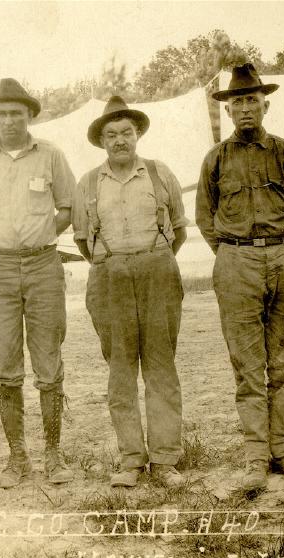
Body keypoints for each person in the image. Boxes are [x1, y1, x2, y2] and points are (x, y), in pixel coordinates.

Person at [196, 64, 284, 492]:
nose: (245, 108)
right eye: (238, 101)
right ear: (228, 111)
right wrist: (232, 254)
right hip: (236, 264)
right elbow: (205, 217)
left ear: (265, 103)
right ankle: (255, 459)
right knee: (248, 367)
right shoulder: (216, 160)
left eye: (252, 99)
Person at [0, 78, 76, 488]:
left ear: (29, 115)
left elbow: (68, 206)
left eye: (17, 113)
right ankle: (17, 458)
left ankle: (53, 455)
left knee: (48, 363)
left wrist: (41, 235)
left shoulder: (51, 155)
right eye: (2, 113)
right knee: (6, 366)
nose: (9, 120)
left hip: (44, 266)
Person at [73, 97, 189, 488]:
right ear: (102, 141)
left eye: (126, 132)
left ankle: (166, 460)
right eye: (111, 135)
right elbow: (82, 241)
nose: (120, 140)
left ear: (137, 135)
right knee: (120, 372)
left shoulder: (159, 173)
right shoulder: (88, 183)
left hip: (157, 270)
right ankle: (131, 461)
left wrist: (151, 259)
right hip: (110, 278)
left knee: (160, 366)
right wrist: (116, 265)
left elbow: (180, 228)